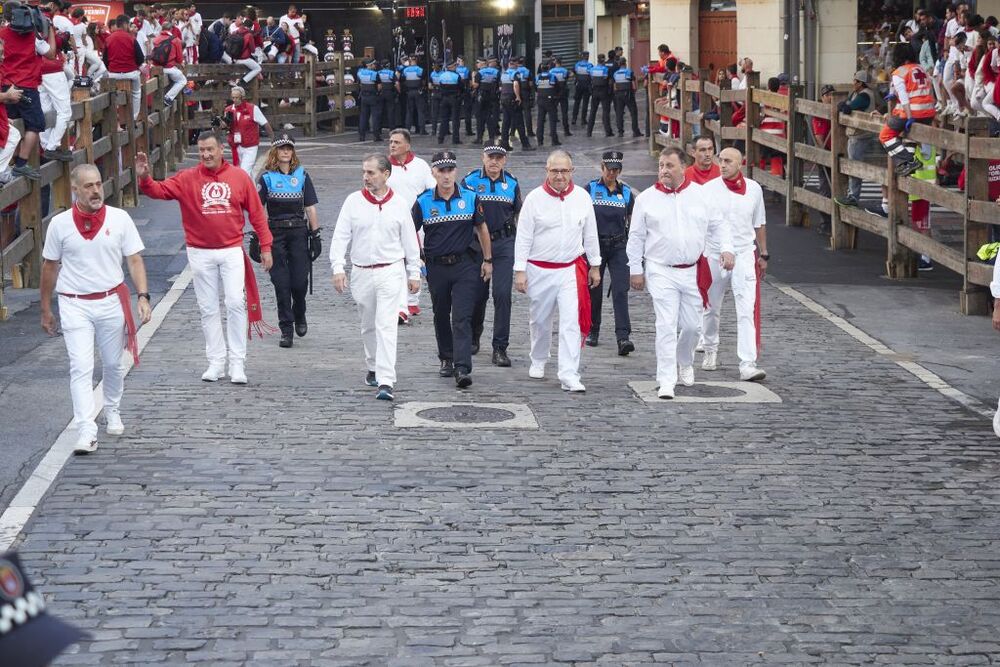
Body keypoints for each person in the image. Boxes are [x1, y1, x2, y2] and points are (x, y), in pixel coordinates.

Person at [136, 132, 274, 384]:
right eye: (201, 151)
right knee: (208, 308)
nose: (206, 155)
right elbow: (159, 190)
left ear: (221, 149)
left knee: (234, 302)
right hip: (199, 252)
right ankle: (216, 361)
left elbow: (256, 213)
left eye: (210, 149)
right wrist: (145, 177)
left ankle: (237, 362)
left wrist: (266, 246)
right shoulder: (187, 178)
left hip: (231, 248)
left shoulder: (239, 177)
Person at [39, 164, 152, 454]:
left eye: (98, 184)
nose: (95, 191)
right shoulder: (60, 224)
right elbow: (49, 266)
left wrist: (142, 296)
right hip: (74, 302)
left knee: (113, 364)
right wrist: (45, 308)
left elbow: (135, 260)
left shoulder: (120, 218)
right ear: (74, 189)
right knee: (81, 366)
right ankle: (86, 429)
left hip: (111, 301)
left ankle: (112, 408)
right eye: (88, 186)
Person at [627, 146, 733, 399]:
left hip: (693, 271)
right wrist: (635, 269)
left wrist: (727, 249)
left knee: (691, 326)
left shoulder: (701, 196)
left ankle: (684, 361)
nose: (664, 170)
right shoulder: (646, 199)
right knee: (665, 324)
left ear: (683, 167)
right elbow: (636, 236)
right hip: (660, 269)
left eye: (669, 165)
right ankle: (666, 379)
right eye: (661, 165)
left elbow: (719, 225)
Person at [331, 154, 421, 401]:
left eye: (371, 173)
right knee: (368, 324)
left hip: (390, 270)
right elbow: (340, 236)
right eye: (364, 172)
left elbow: (410, 241)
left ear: (386, 174)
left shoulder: (400, 204)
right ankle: (373, 364)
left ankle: (386, 379)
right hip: (361, 270)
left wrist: (414, 272)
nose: (366, 177)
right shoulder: (353, 202)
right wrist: (338, 267)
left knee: (386, 324)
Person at [514, 150, 601, 392]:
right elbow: (523, 237)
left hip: (570, 270)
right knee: (540, 320)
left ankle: (569, 373)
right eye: (555, 171)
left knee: (571, 322)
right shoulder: (534, 199)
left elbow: (590, 234)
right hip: (539, 268)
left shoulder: (583, 198)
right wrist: (519, 270)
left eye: (564, 171)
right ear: (547, 171)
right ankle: (539, 357)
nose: (560, 176)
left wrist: (595, 265)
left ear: (572, 172)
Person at [412, 151, 493, 388]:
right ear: (433, 173)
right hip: (436, 267)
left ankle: (462, 367)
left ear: (455, 171)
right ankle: (446, 358)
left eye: (450, 170)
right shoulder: (423, 201)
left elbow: (482, 229)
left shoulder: (470, 198)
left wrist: (488, 260)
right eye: (441, 171)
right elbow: (409, 232)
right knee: (441, 314)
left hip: (465, 266)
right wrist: (415, 260)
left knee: (461, 316)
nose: (446, 176)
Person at [701, 147, 767, 381]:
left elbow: (759, 223)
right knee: (710, 307)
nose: (723, 165)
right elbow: (703, 225)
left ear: (741, 163)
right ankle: (709, 348)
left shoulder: (754, 190)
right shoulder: (708, 190)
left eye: (729, 161)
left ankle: (747, 362)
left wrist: (764, 253)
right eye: (721, 160)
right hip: (714, 254)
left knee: (746, 308)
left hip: (744, 252)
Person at [257, 135, 320, 348]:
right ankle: (286, 328)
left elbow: (310, 207)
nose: (285, 152)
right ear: (274, 152)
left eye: (289, 148)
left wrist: (316, 234)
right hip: (275, 233)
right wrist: (258, 236)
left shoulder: (302, 176)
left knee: (299, 282)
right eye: (282, 148)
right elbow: (258, 210)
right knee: (281, 284)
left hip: (299, 233)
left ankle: (299, 312)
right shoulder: (266, 178)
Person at [462, 141, 522, 366]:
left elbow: (519, 215)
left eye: (499, 157)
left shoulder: (512, 183)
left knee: (503, 295)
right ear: (483, 157)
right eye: (491, 157)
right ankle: (474, 334)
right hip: (477, 245)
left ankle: (500, 346)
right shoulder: (470, 181)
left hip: (504, 243)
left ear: (504, 160)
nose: (494, 161)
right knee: (478, 295)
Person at [585, 151, 635, 355]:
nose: (612, 173)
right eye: (609, 169)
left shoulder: (627, 192)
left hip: (618, 245)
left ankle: (623, 337)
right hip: (596, 244)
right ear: (602, 167)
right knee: (594, 289)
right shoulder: (590, 188)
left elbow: (633, 219)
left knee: (621, 290)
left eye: (616, 170)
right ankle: (593, 329)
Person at [1, 0, 57, 180]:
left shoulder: (1, 34)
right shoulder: (33, 36)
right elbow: (51, 54)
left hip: (5, 85)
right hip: (27, 85)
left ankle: (9, 161)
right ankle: (21, 163)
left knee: (10, 124)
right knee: (36, 124)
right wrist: (51, 31)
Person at [386, 128, 435, 320]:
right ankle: (399, 304)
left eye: (397, 142)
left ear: (407, 145)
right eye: (391, 142)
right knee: (396, 261)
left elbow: (432, 188)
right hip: (392, 221)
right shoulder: (384, 166)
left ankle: (412, 301)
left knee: (416, 259)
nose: (392, 145)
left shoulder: (420, 165)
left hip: (417, 222)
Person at [881, 42, 937, 177]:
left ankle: (909, 160)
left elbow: (905, 98)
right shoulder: (922, 69)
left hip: (913, 113)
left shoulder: (899, 73)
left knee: (885, 136)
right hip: (928, 113)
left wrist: (909, 115)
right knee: (908, 135)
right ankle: (908, 163)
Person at [834, 71, 878, 208]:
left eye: (855, 81)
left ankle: (853, 196)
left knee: (855, 166)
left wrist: (843, 105)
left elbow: (847, 107)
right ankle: (852, 194)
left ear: (861, 83)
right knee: (854, 164)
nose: (853, 83)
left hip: (860, 135)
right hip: (857, 134)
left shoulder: (864, 95)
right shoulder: (857, 94)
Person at [218, 86, 274, 177]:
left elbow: (265, 123)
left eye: (237, 97)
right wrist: (222, 126)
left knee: (244, 171)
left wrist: (272, 138)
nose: (234, 100)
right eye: (233, 97)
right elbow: (227, 127)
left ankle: (243, 191)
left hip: (250, 145)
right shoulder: (228, 110)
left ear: (242, 97)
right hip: (235, 145)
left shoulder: (253, 108)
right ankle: (253, 190)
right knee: (242, 171)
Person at [103, 14, 144, 119]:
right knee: (136, 93)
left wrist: (112, 69)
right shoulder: (131, 38)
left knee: (111, 95)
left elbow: (105, 59)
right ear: (125, 24)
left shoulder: (108, 39)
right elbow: (140, 58)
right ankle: (133, 118)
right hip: (131, 73)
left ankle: (114, 119)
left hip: (113, 74)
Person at [150, 20, 187, 107]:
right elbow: (179, 59)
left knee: (157, 86)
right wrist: (181, 63)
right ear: (171, 29)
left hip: (156, 68)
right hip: (169, 68)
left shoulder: (155, 39)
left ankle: (157, 104)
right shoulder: (176, 40)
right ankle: (168, 97)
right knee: (182, 80)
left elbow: (152, 54)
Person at [499, 58, 532, 151]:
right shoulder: (515, 73)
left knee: (506, 122)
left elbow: (501, 87)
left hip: (504, 99)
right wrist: (518, 96)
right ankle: (525, 145)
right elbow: (516, 84)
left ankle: (504, 143)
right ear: (515, 64)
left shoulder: (504, 73)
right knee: (519, 122)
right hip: (512, 99)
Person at [612, 57, 642, 137]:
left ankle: (620, 132)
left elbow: (614, 86)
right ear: (625, 63)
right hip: (628, 94)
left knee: (619, 113)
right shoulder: (629, 72)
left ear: (619, 64)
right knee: (633, 112)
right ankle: (635, 131)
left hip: (618, 94)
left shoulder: (615, 73)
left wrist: (616, 93)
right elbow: (633, 85)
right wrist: (634, 91)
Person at [473, 56, 500, 144]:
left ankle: (479, 138)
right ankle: (491, 137)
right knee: (489, 117)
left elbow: (476, 85)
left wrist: (473, 79)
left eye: (478, 63)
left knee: (480, 118)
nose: (476, 64)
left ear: (483, 63)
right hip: (492, 97)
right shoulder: (496, 72)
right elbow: (499, 84)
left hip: (481, 97)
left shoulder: (479, 73)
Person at [587, 53, 613, 138]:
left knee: (592, 112)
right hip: (603, 91)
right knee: (605, 112)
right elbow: (608, 80)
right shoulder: (605, 69)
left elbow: (590, 79)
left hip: (594, 91)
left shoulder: (592, 69)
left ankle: (589, 132)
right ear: (604, 60)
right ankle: (608, 132)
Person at [437, 61, 462, 145]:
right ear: (451, 67)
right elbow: (461, 87)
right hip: (454, 99)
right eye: (455, 66)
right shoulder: (456, 76)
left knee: (444, 119)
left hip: (444, 99)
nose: (456, 67)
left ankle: (440, 138)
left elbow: (440, 86)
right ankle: (455, 139)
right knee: (455, 120)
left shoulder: (442, 76)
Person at [536, 60, 560, 146]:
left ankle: (539, 140)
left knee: (540, 121)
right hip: (550, 100)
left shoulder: (537, 77)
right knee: (552, 121)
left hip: (540, 100)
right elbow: (557, 88)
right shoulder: (552, 76)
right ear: (549, 67)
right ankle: (554, 140)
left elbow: (536, 88)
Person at [357, 57, 382, 142]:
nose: (375, 66)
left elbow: (360, 84)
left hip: (364, 96)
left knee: (363, 116)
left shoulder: (360, 73)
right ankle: (376, 136)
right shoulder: (375, 74)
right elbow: (379, 86)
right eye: (374, 64)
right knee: (375, 117)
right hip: (373, 96)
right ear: (369, 65)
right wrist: (378, 93)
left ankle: (361, 136)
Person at [402, 54, 426, 135]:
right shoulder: (420, 69)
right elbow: (423, 81)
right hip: (418, 91)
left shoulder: (405, 70)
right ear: (416, 60)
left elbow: (403, 79)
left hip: (409, 92)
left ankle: (407, 129)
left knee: (409, 111)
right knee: (420, 111)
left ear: (409, 60)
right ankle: (422, 130)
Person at [376, 59, 399, 139]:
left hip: (381, 93)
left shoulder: (378, 73)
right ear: (388, 65)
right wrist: (399, 92)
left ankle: (378, 130)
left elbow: (378, 85)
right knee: (391, 112)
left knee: (379, 112)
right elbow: (396, 84)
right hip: (390, 93)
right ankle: (392, 130)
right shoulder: (392, 73)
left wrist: (378, 92)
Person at [550, 57, 572, 136]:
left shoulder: (551, 71)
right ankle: (566, 131)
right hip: (563, 92)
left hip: (554, 92)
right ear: (561, 63)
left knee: (552, 112)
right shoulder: (565, 70)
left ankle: (552, 131)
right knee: (564, 112)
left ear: (555, 63)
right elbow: (566, 78)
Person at [455, 54, 474, 137]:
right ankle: (468, 130)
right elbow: (470, 83)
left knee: (456, 112)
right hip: (466, 92)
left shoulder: (454, 70)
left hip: (456, 92)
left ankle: (456, 131)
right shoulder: (467, 70)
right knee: (467, 112)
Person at [572, 51, 592, 125]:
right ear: (586, 56)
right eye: (587, 55)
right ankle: (583, 120)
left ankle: (574, 119)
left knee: (577, 102)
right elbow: (591, 74)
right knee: (585, 103)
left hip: (579, 85)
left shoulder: (577, 64)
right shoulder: (590, 65)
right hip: (586, 85)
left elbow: (574, 72)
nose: (588, 56)